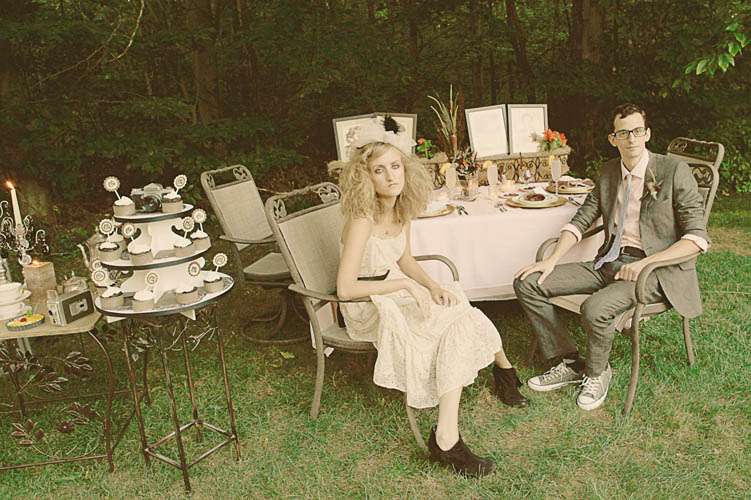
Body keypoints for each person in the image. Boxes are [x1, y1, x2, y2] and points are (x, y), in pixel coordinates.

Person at [330, 115, 527, 477]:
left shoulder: (400, 210)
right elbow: (345, 289)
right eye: (379, 170)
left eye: (395, 166)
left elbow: (404, 260)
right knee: (455, 321)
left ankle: (497, 378)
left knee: (455, 303)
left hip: (391, 289)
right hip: (366, 305)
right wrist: (404, 287)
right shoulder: (362, 219)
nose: (391, 176)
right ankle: (459, 424)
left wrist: (432, 285)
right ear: (365, 177)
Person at [513, 103, 708, 411]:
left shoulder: (673, 172)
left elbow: (697, 238)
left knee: (595, 309)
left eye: (637, 131)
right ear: (612, 138)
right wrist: (551, 259)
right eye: (623, 133)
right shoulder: (608, 171)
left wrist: (645, 264)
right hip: (608, 261)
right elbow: (582, 219)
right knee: (528, 282)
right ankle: (568, 361)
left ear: (647, 134)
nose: (631, 139)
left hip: (654, 271)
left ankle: (597, 373)